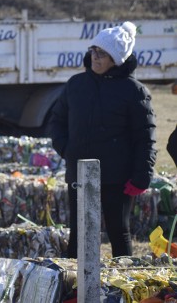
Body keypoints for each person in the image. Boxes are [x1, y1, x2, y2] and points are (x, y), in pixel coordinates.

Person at [49, 21, 156, 258]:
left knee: (119, 233)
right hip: (80, 173)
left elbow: (145, 137)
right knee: (79, 236)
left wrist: (141, 176)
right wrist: (68, 149)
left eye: (103, 54)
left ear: (116, 59)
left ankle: (123, 288)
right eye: (93, 51)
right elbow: (57, 122)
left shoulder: (134, 91)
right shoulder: (76, 84)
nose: (95, 58)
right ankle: (77, 291)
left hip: (117, 178)